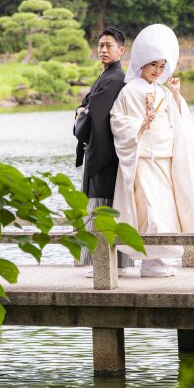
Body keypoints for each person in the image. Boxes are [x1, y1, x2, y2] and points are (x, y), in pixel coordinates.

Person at [110, 24, 194, 277]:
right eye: (153, 66)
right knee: (150, 211)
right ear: (142, 64)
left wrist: (176, 94)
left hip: (163, 157)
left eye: (161, 66)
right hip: (142, 159)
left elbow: (180, 122)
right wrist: (140, 124)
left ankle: (157, 259)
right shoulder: (129, 90)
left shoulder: (163, 92)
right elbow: (117, 121)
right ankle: (147, 261)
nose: (157, 71)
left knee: (165, 211)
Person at [74, 26, 134, 274]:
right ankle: (114, 264)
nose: (103, 50)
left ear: (121, 50)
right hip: (109, 152)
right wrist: (83, 111)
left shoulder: (114, 79)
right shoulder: (110, 76)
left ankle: (105, 265)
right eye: (100, 45)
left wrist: (80, 115)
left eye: (109, 46)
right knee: (110, 206)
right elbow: (89, 108)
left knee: (103, 206)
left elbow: (94, 114)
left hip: (105, 153)